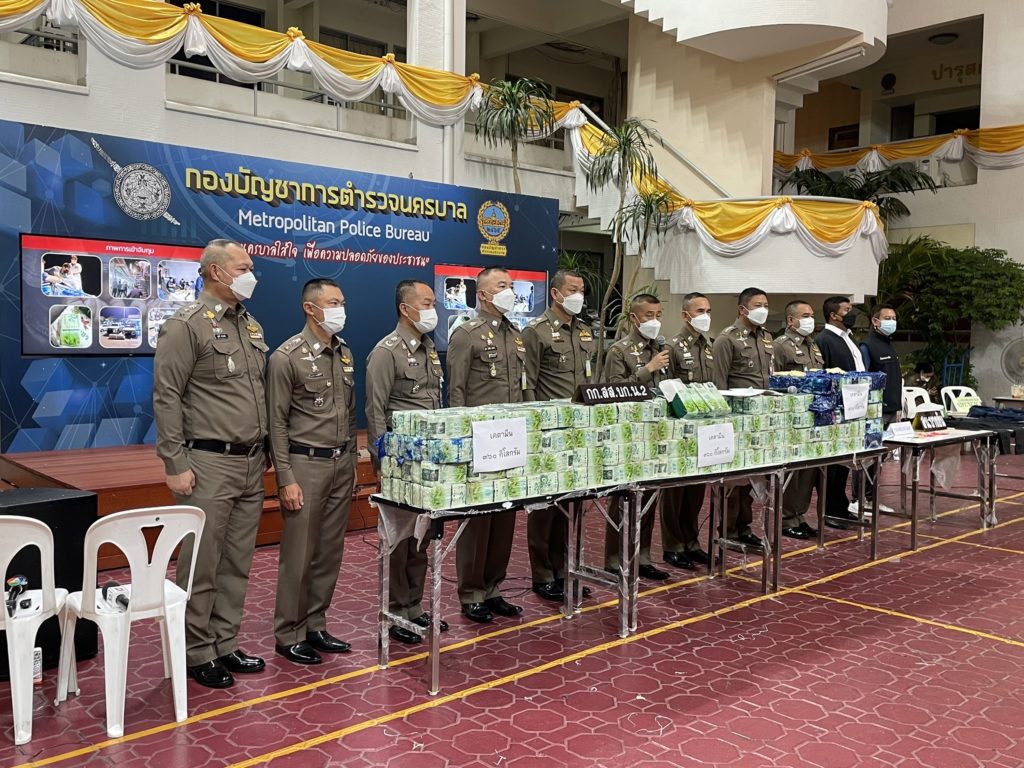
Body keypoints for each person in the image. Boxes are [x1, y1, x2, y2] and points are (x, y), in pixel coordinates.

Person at [153, 239, 268, 689]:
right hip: (207, 462)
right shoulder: (186, 325)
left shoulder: (250, 325)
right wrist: (174, 461)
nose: (251, 275)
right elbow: (167, 396)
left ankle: (224, 640)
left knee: (236, 561)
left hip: (250, 461)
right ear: (216, 272)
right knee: (201, 562)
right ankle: (195, 649)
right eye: (243, 268)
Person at [266, 278, 358, 665]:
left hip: (340, 463)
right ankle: (289, 632)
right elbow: (276, 423)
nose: (341, 309)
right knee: (300, 554)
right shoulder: (286, 357)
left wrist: (352, 462)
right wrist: (285, 478)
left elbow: (349, 413)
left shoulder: (344, 352)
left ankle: (315, 624)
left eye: (341, 301)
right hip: (305, 464)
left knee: (329, 552)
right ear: (310, 308)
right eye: (333, 303)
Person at [365, 279, 449, 644]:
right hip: (399, 462)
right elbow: (375, 410)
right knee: (399, 540)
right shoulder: (386, 352)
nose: (432, 310)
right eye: (426, 303)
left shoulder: (429, 348)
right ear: (405, 308)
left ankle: (415, 606)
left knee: (422, 535)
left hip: (427, 461)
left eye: (433, 303)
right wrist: (381, 462)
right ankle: (397, 609)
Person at [447, 267, 527, 623]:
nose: (510, 291)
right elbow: (456, 391)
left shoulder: (515, 333)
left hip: (511, 438)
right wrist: (462, 440)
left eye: (510, 285)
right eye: (502, 285)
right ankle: (471, 592)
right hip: (480, 439)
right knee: (478, 520)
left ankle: (493, 588)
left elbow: (524, 386)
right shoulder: (466, 333)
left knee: (505, 517)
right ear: (482, 294)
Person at [523, 269, 596, 601]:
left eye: (581, 290)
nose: (578, 295)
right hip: (549, 431)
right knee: (545, 507)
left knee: (571, 505)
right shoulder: (536, 331)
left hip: (579, 431)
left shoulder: (584, 331)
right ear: (555, 293)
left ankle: (566, 570)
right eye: (572, 289)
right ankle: (543, 575)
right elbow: (528, 384)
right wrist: (533, 429)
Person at [602, 293, 671, 581]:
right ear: (634, 318)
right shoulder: (619, 351)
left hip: (655, 432)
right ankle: (615, 560)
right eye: (648, 315)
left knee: (650, 497)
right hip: (628, 434)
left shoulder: (662, 348)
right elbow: (613, 391)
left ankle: (642, 557)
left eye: (658, 315)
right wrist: (647, 369)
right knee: (624, 499)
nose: (654, 321)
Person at [712, 287, 773, 548]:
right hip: (735, 418)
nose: (763, 310)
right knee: (732, 479)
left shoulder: (767, 337)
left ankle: (743, 526)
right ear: (742, 309)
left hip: (759, 418)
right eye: (758, 305)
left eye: (766, 305)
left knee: (752, 475)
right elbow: (718, 382)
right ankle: (727, 528)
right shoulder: (727, 339)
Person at [661, 292, 714, 570]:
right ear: (685, 315)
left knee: (696, 490)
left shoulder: (709, 345)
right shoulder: (672, 347)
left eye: (708, 311)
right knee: (675, 491)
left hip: (704, 427)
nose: (705, 316)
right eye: (699, 311)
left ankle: (692, 542)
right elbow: (665, 390)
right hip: (680, 429)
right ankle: (673, 546)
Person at [773, 300, 823, 540]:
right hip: (791, 417)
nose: (810, 319)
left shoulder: (813, 345)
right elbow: (774, 381)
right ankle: (786, 518)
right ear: (791, 320)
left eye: (811, 315)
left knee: (808, 470)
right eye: (805, 316)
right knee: (792, 470)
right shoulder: (781, 345)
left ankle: (799, 515)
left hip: (813, 414)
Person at [814, 296, 865, 529]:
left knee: (845, 462)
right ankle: (830, 510)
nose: (851, 313)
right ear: (834, 315)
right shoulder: (824, 340)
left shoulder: (849, 337)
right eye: (847, 310)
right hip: (835, 408)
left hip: (854, 406)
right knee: (832, 465)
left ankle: (841, 506)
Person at [854, 304, 903, 515]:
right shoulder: (867, 346)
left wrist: (898, 407)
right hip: (874, 412)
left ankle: (871, 498)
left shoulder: (889, 345)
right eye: (887, 318)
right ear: (875, 321)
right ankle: (859, 499)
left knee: (879, 459)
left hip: (891, 410)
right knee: (866, 458)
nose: (892, 321)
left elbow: (894, 380)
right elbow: (862, 378)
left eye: (894, 318)